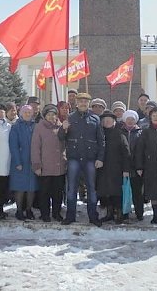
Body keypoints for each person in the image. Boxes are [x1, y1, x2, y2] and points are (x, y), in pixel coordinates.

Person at [58, 92, 105, 226]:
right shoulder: (70, 118)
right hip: (74, 158)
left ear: (88, 103)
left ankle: (93, 216)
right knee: (72, 188)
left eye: (85, 101)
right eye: (81, 101)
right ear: (77, 103)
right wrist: (63, 128)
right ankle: (70, 215)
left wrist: (100, 158)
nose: (83, 104)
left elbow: (101, 140)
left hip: (90, 158)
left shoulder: (95, 119)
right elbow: (61, 138)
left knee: (91, 188)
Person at [32, 104, 67, 222]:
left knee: (57, 193)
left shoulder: (60, 126)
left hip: (59, 166)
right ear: (45, 116)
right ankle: (45, 213)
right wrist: (36, 165)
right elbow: (35, 147)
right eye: (49, 115)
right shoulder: (39, 127)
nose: (52, 117)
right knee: (44, 192)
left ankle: (56, 213)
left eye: (54, 115)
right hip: (45, 166)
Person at [97, 111, 130, 224]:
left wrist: (126, 169)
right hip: (102, 168)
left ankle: (119, 213)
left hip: (117, 169)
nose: (107, 122)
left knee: (117, 192)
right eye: (105, 120)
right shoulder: (99, 134)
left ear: (114, 122)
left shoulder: (120, 135)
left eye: (109, 120)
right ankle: (109, 213)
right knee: (106, 192)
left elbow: (126, 153)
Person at [9, 105, 39, 220]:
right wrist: (17, 162)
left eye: (29, 112)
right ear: (21, 113)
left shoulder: (35, 126)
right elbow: (14, 146)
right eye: (25, 112)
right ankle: (19, 210)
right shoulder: (16, 127)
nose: (27, 114)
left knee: (32, 187)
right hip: (21, 161)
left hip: (33, 161)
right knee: (20, 187)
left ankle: (29, 209)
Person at [121, 109, 144, 221]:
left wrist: (140, 167)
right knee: (125, 191)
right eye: (128, 119)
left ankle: (139, 213)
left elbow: (141, 151)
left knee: (137, 192)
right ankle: (124, 212)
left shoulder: (140, 133)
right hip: (123, 167)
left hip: (136, 167)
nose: (130, 121)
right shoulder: (120, 132)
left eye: (132, 119)